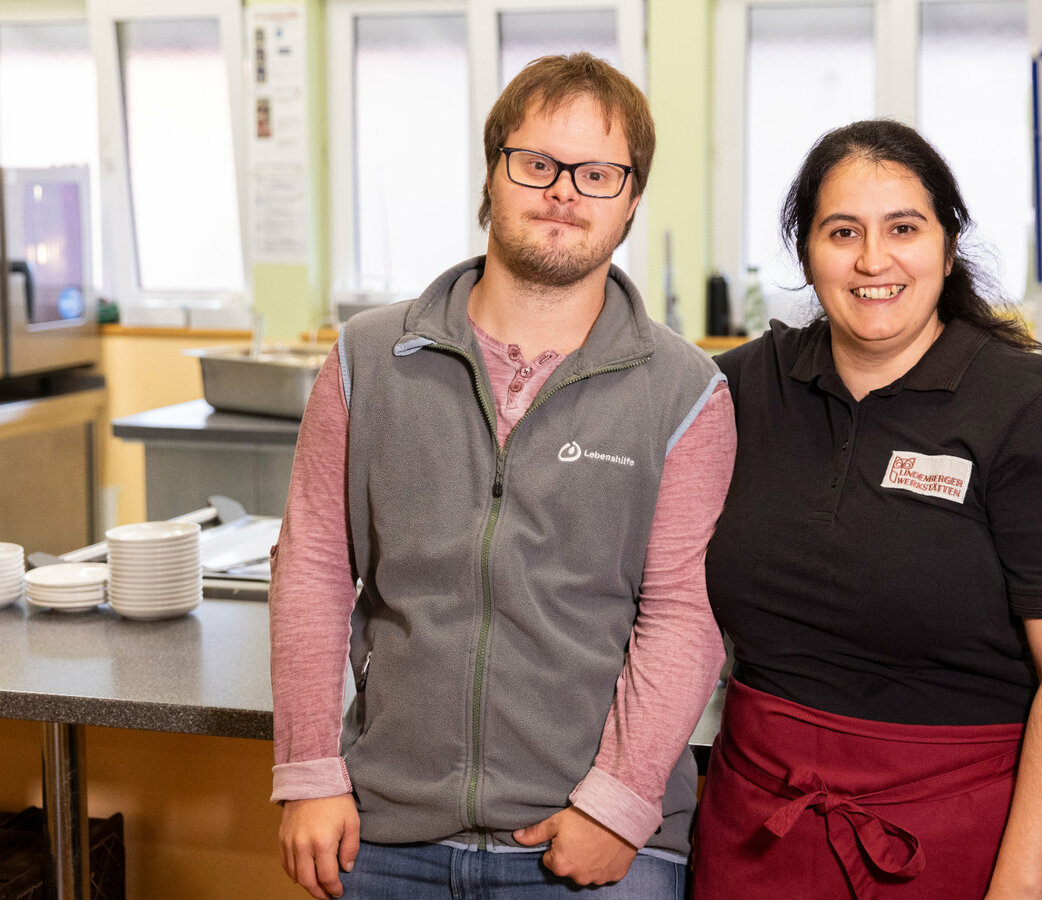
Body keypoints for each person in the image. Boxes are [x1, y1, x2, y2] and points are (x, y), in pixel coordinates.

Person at [269, 53, 734, 900]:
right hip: (381, 832)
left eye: (597, 173)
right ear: (492, 176)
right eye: (537, 163)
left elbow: (684, 614)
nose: (563, 192)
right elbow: (311, 570)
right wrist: (308, 768)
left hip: (594, 843)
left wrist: (621, 803)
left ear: (631, 200)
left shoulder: (687, 392)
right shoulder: (367, 360)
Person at [693, 119, 1042, 900]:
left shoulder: (1023, 411)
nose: (873, 260)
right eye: (842, 231)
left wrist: (1017, 892)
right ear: (807, 252)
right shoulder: (744, 390)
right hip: (756, 832)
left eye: (904, 228)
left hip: (961, 842)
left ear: (947, 248)